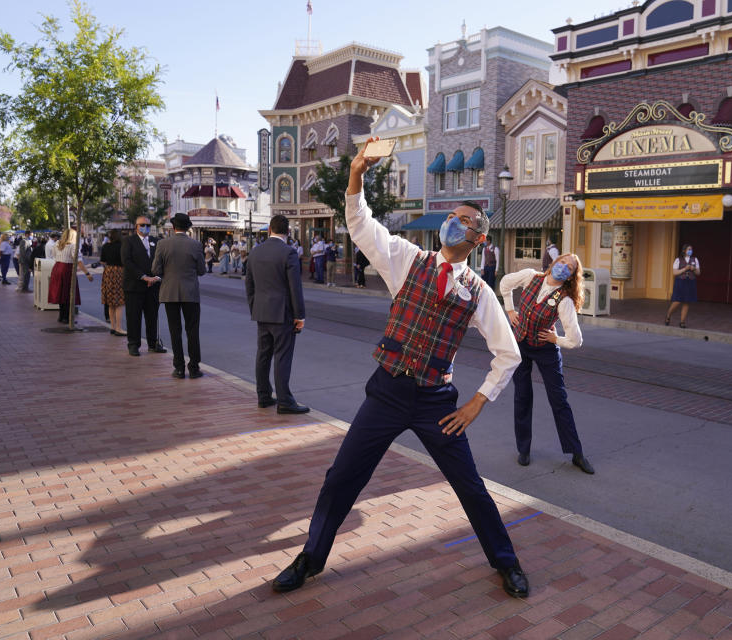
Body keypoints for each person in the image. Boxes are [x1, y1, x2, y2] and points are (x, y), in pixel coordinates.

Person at [270, 139, 529, 599]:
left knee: (470, 487)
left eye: (464, 220)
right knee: (342, 477)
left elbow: (508, 354)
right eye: (452, 216)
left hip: (435, 402)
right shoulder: (408, 259)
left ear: (479, 238)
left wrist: (476, 402)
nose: (454, 222)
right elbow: (359, 222)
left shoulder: (479, 291)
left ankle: (506, 563)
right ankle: (310, 558)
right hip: (387, 393)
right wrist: (357, 174)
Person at [500, 254, 594, 474]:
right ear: (554, 263)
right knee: (522, 396)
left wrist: (556, 339)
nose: (563, 267)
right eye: (562, 262)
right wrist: (510, 309)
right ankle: (524, 449)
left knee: (559, 400)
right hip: (521, 343)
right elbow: (505, 283)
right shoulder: (531, 276)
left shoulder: (565, 300)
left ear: (571, 276)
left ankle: (576, 453)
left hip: (546, 350)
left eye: (569, 268)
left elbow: (576, 339)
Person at [246, 214, 307, 412]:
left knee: (263, 355)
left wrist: (254, 307)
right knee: (282, 356)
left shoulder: (255, 252)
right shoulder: (288, 253)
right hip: (282, 314)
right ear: (288, 232)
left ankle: (263, 396)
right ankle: (284, 401)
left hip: (262, 312)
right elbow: (294, 287)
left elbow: (250, 285)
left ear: (270, 230)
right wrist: (300, 315)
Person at [151, 213, 207, 379]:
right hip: (190, 293)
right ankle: (194, 368)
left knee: (175, 330)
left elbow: (155, 270)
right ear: (188, 227)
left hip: (170, 293)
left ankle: (179, 368)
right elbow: (202, 271)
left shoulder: (162, 244)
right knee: (192, 331)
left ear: (173, 227)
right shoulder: (196, 245)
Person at [122, 216, 167, 357]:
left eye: (148, 225)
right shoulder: (129, 241)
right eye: (142, 225)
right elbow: (127, 262)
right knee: (134, 317)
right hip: (134, 286)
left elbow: (163, 262)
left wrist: (156, 278)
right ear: (136, 226)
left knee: (152, 316)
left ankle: (153, 344)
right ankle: (133, 344)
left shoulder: (156, 242)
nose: (145, 227)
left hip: (153, 287)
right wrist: (143, 277)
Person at [47, 229, 93, 323]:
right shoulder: (73, 246)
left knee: (60, 292)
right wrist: (87, 273)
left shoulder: (57, 244)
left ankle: (61, 316)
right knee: (68, 294)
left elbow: (54, 255)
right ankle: (67, 318)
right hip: (67, 269)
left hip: (57, 267)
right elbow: (78, 261)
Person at [665, 244, 700, 328]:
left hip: (690, 282)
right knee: (677, 301)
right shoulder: (678, 260)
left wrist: (694, 269)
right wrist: (685, 269)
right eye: (689, 249)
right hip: (680, 282)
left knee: (686, 302)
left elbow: (698, 273)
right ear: (684, 250)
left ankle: (682, 321)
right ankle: (668, 315)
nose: (690, 251)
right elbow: (675, 273)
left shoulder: (695, 259)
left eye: (691, 249)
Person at [100, 230, 126, 336]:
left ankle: (112, 327)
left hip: (108, 272)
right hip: (120, 272)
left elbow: (102, 261)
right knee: (119, 302)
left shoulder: (106, 246)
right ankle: (119, 328)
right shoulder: (122, 246)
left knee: (110, 302)